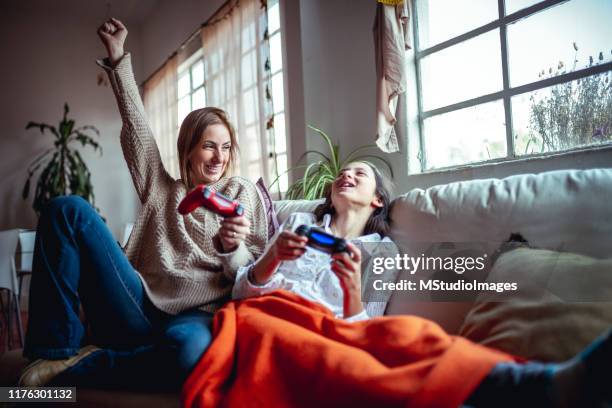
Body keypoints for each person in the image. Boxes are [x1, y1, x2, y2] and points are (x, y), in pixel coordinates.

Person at [182, 161, 611, 407]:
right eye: (343, 173)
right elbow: (240, 295)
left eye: (359, 174)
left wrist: (351, 292)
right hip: (268, 320)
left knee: (408, 333)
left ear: (377, 200)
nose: (345, 175)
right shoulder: (296, 223)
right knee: (346, 360)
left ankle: (534, 379)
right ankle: (522, 389)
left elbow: (367, 326)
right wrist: (273, 257)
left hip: (331, 330)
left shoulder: (381, 252)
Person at [19, 18, 268, 390]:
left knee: (188, 355)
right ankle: (54, 352)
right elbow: (138, 131)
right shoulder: (162, 189)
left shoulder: (243, 192)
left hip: (196, 315)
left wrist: (234, 249)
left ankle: (76, 369)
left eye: (226, 147)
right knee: (67, 209)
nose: (219, 157)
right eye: (209, 146)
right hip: (135, 302)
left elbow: (254, 274)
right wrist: (118, 57)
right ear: (188, 149)